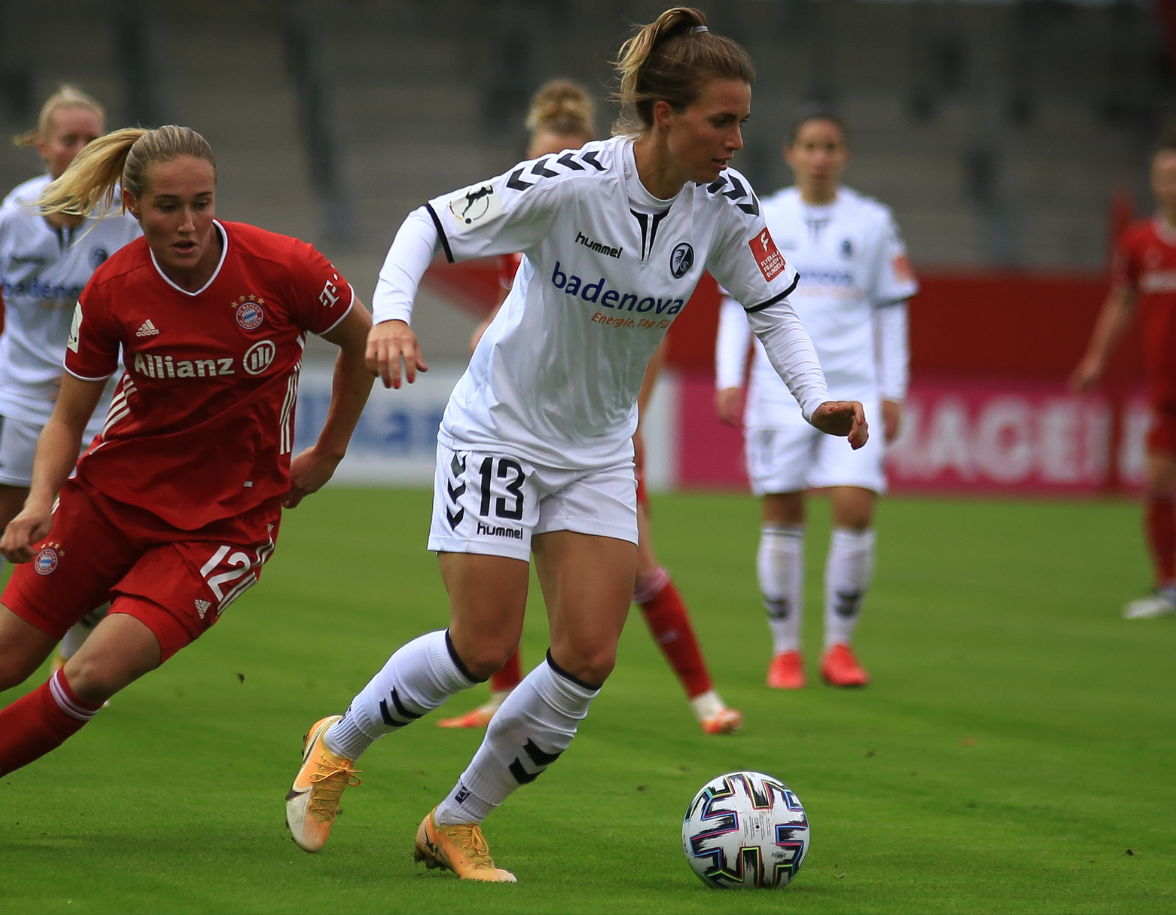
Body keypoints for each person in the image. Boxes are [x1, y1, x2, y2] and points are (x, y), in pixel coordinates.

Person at [284, 8, 866, 882]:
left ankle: (456, 819)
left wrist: (815, 399)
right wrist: (394, 316)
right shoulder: (569, 181)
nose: (739, 140)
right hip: (499, 431)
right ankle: (341, 740)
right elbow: (428, 225)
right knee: (481, 645)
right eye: (722, 120)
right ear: (665, 115)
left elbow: (772, 305)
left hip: (597, 447)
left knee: (588, 655)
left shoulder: (726, 204)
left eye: (744, 120)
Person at [0, 124, 377, 853]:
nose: (187, 224)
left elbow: (363, 345)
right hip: (111, 500)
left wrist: (329, 453)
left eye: (202, 203)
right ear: (131, 204)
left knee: (90, 674)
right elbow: (67, 417)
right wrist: (37, 502)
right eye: (167, 207)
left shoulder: (285, 267)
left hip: (225, 526)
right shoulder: (115, 288)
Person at [441, 78, 742, 736]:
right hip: (525, 422)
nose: (550, 170)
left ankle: (705, 697)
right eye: (539, 158)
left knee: (637, 568)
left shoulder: (616, 217)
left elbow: (641, 338)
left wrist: (632, 421)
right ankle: (502, 694)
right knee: (501, 554)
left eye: (567, 153)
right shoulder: (523, 228)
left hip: (599, 432)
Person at [0, 86, 139, 706]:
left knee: (98, 529)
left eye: (91, 140)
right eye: (68, 139)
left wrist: (111, 370)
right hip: (19, 395)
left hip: (97, 400)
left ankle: (74, 667)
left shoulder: (126, 218)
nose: (79, 150)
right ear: (42, 146)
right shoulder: (13, 215)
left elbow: (146, 306)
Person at [713, 108, 916, 689]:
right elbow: (736, 303)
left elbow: (892, 311)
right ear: (791, 153)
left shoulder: (874, 222)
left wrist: (893, 391)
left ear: (843, 155)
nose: (820, 157)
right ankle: (785, 652)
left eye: (830, 146)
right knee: (781, 514)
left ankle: (839, 648)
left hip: (855, 387)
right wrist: (731, 376)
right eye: (810, 146)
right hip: (778, 392)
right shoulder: (764, 215)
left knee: (855, 509)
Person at [1070, 129, 1176, 620]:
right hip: (1171, 382)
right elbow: (1122, 301)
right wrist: (1096, 358)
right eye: (1168, 178)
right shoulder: (1139, 242)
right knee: (1158, 483)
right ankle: (1169, 587)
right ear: (1155, 182)